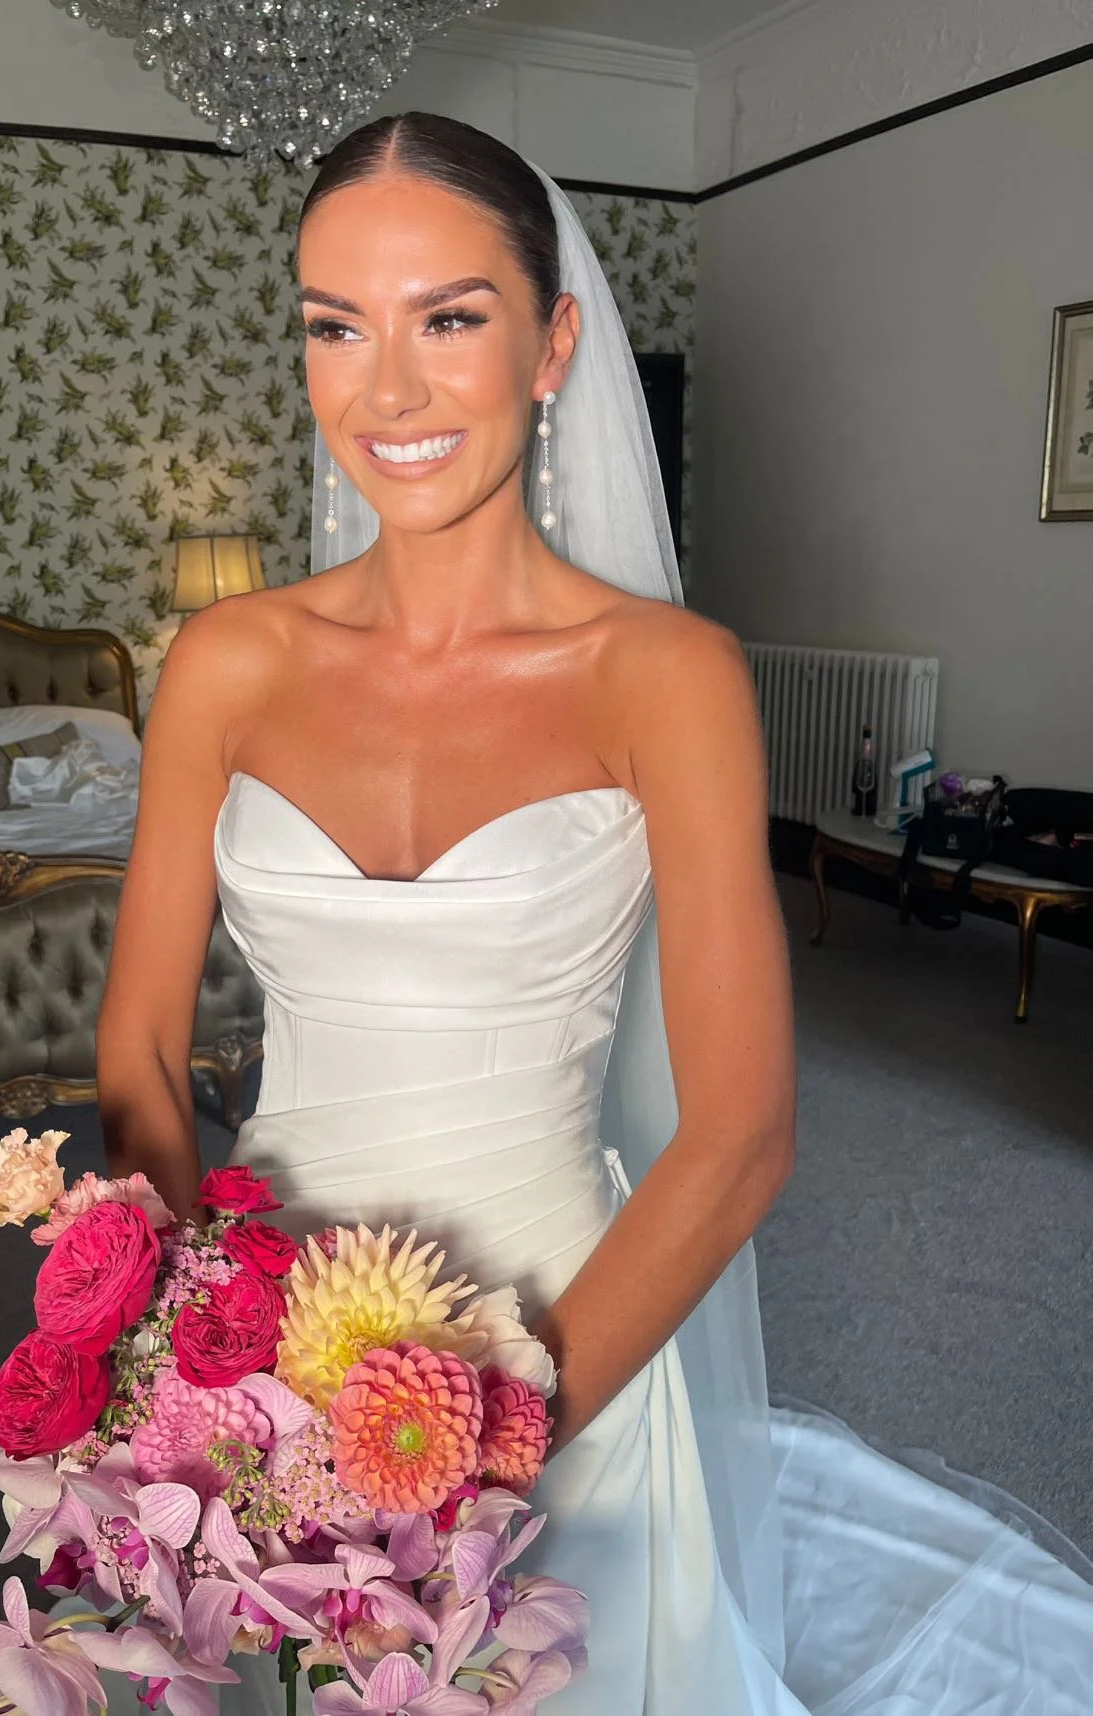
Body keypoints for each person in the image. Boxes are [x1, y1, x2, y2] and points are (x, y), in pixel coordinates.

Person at [96, 112, 1093, 1715]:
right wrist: (199, 1363)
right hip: (263, 1350)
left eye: (450, 319)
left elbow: (743, 1130)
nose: (388, 391)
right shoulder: (225, 665)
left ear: (553, 343)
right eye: (335, 327)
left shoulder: (667, 677)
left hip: (554, 1334)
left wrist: (499, 1437)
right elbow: (139, 1047)